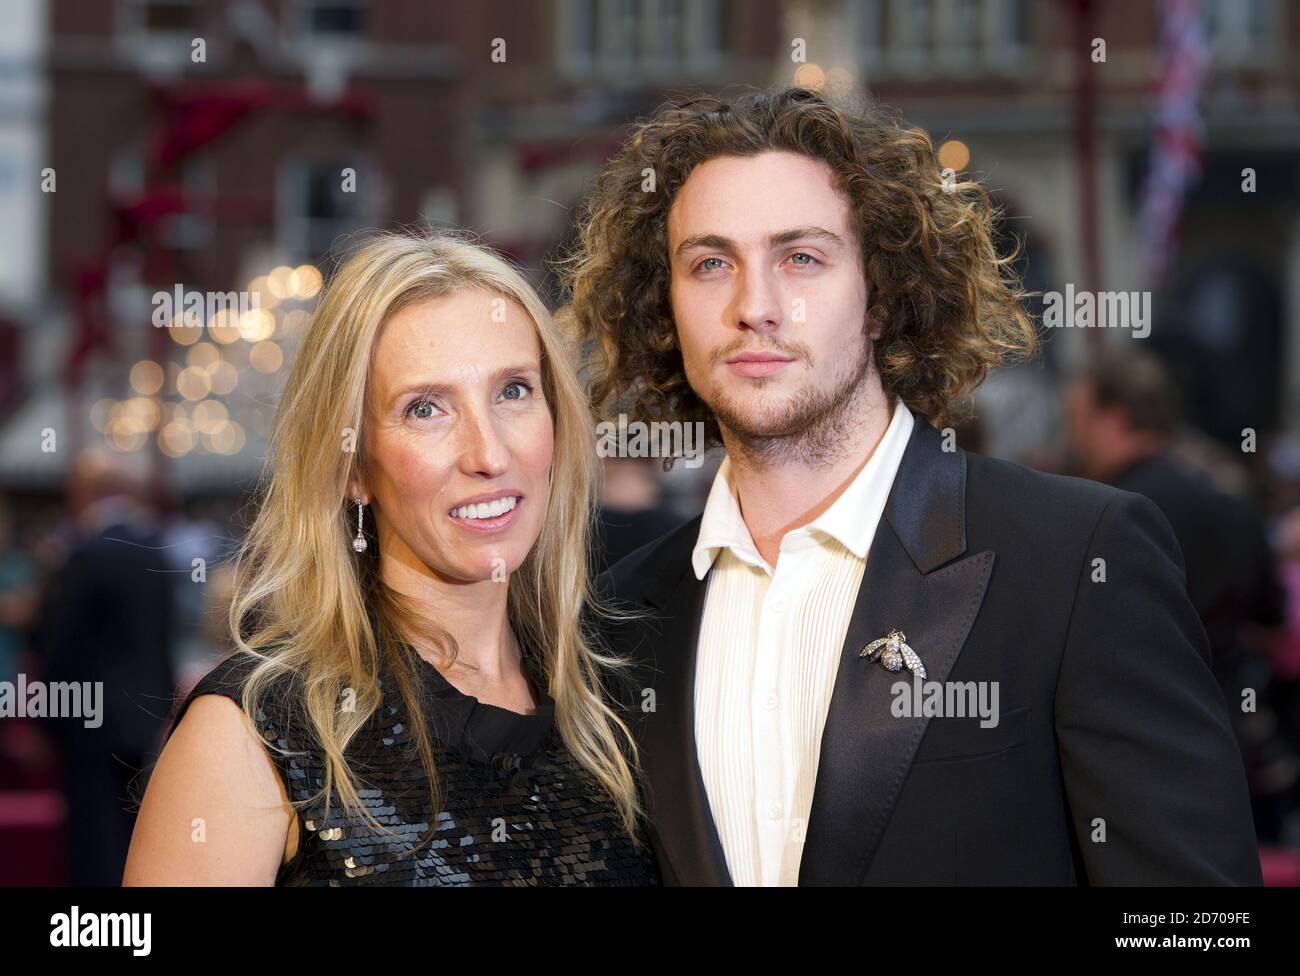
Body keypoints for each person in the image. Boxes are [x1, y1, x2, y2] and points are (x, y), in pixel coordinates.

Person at [562, 86, 1261, 885]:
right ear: (666, 305)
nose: (754, 306)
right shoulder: (616, 619)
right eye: (711, 263)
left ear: (883, 299)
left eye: (802, 258)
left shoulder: (1075, 563)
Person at [124, 230, 659, 886]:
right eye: (426, 409)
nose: (488, 454)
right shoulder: (256, 735)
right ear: (353, 468)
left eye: (513, 391)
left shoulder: (616, 707)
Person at [34, 450, 175, 886]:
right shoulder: (156, 551)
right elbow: (160, 638)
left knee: (95, 840)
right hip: (144, 717)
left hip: (88, 722)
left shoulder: (87, 553)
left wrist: (46, 720)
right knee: (136, 830)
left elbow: (63, 646)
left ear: (84, 492)